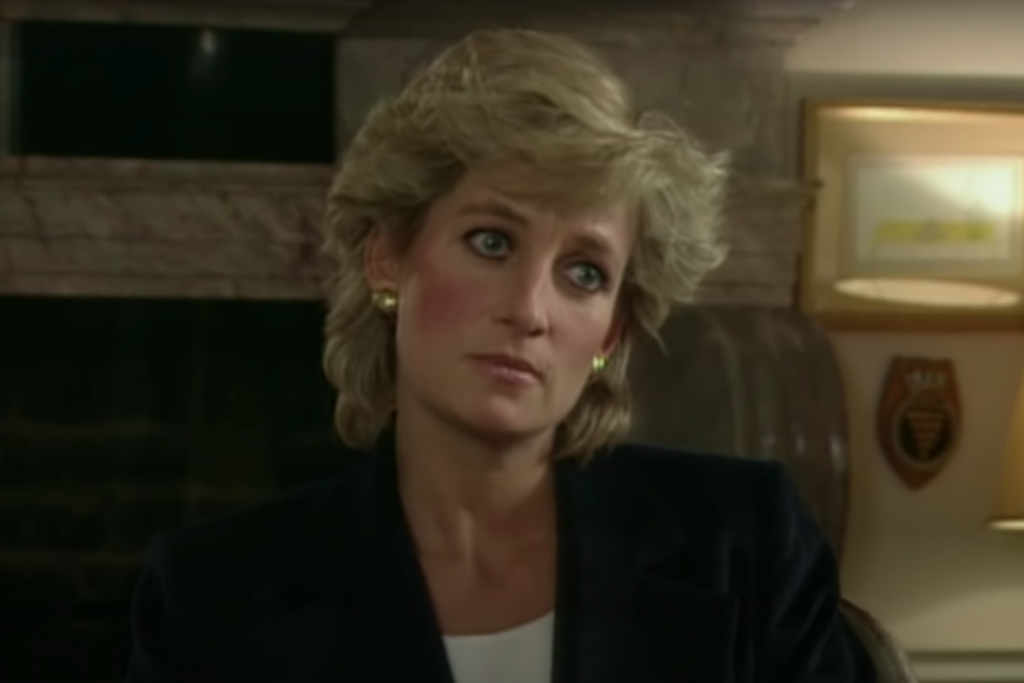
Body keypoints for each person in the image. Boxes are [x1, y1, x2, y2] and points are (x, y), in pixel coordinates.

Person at [125, 29, 875, 683]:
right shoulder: (215, 588)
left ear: (611, 335)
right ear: (388, 259)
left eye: (584, 273)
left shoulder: (744, 541)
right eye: (491, 242)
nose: (528, 309)